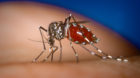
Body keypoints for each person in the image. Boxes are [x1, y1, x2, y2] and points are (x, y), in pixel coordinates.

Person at [0, 2, 139, 78]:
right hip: (69, 30)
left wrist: (70, 42)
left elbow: (64, 24)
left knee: (66, 29)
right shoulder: (51, 33)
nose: (51, 45)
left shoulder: (56, 33)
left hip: (73, 30)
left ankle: (97, 52)